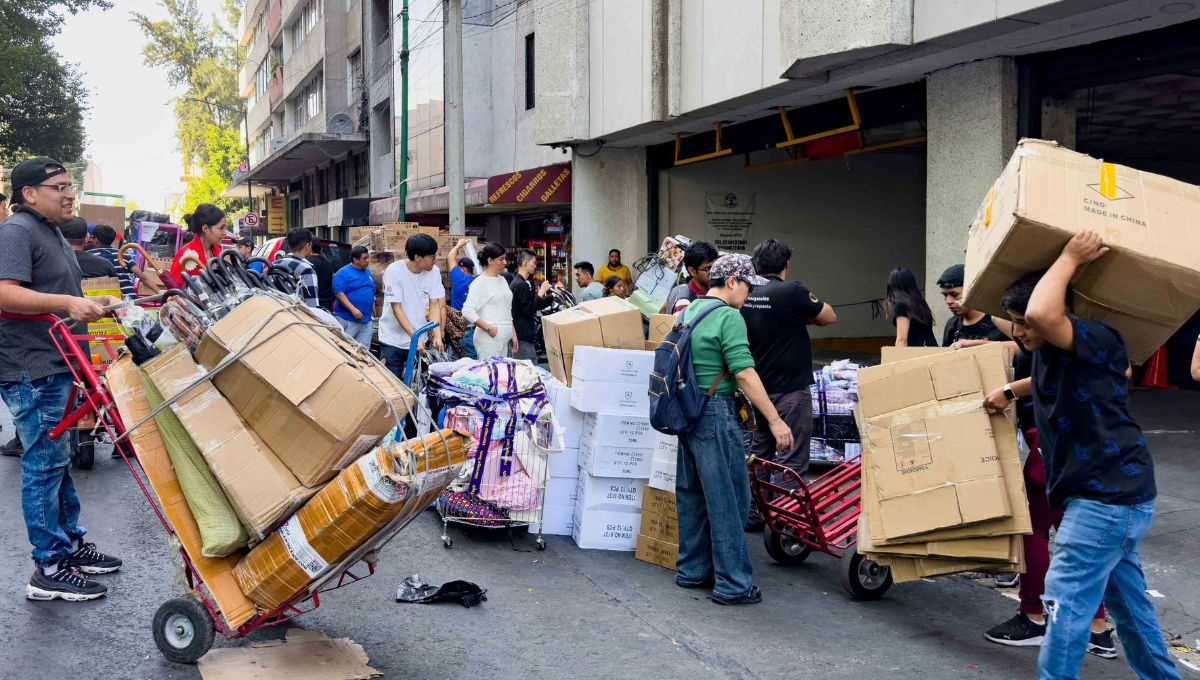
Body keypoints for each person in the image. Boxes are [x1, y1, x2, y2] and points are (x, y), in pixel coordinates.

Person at [999, 231, 1179, 680]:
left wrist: (1070, 256)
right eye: (1015, 322)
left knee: (1063, 603)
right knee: (1131, 610)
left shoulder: (1100, 339)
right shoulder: (1048, 347)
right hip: (1105, 495)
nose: (1021, 332)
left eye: (1025, 322)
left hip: (1108, 497)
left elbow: (1043, 312)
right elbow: (1035, 331)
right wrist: (1006, 390)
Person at [0, 157, 122, 602]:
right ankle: (47, 567)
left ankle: (68, 546)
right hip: (31, 366)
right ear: (30, 193)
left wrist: (91, 302)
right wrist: (69, 304)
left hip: (58, 364)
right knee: (44, 463)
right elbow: (4, 292)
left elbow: (52, 294)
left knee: (58, 461)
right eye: (60, 187)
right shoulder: (16, 230)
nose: (70, 194)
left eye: (73, 186)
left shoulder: (48, 231)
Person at [675, 254, 794, 606]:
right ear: (731, 282)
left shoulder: (690, 310)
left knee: (693, 493)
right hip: (714, 412)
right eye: (746, 285)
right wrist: (774, 419)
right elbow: (744, 372)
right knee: (729, 497)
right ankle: (733, 584)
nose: (748, 294)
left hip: (687, 410)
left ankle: (693, 570)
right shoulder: (729, 317)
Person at [980, 346, 1114, 658]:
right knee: (1075, 535)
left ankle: (1034, 617)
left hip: (1052, 440)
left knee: (1032, 528)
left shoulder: (1058, 335)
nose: (1021, 331)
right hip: (1074, 441)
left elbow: (1059, 377)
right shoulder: (1086, 333)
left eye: (1022, 322)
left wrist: (1010, 390)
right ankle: (1096, 629)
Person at [740, 239, 837, 530]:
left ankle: (755, 513)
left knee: (760, 454)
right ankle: (784, 521)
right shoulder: (792, 291)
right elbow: (829, 317)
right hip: (791, 392)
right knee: (791, 458)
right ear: (786, 265)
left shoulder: (745, 294)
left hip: (756, 391)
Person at [379, 233, 445, 378]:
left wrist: (437, 335)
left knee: (418, 383)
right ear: (417, 257)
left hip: (420, 339)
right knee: (394, 383)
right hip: (393, 340)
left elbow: (434, 304)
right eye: (432, 257)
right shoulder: (394, 271)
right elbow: (397, 308)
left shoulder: (434, 272)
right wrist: (414, 338)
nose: (435, 260)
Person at [937, 264, 1014, 348]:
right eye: (945, 295)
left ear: (973, 290)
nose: (948, 301)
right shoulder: (952, 325)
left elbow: (1025, 350)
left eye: (954, 294)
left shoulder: (999, 320)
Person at [462, 243, 516, 360]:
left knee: (501, 374)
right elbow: (467, 311)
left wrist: (513, 333)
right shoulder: (479, 283)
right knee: (491, 374)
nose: (505, 262)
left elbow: (507, 309)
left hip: (504, 338)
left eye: (505, 259)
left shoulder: (503, 280)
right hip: (489, 339)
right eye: (501, 259)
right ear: (490, 261)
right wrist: (488, 328)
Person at [510, 249, 554, 362]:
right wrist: (541, 291)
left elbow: (535, 304)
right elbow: (530, 308)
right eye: (534, 262)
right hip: (522, 335)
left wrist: (552, 295)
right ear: (525, 263)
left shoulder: (520, 283)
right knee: (528, 369)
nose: (535, 265)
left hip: (524, 335)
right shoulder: (520, 284)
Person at [332, 246, 376, 348]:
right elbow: (339, 293)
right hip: (348, 319)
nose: (368, 261)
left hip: (366, 321)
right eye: (364, 258)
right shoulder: (343, 273)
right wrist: (353, 310)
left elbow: (370, 290)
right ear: (355, 260)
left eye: (368, 257)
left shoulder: (367, 272)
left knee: (363, 352)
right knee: (345, 349)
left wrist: (373, 308)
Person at [170, 204, 227, 281]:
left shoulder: (218, 250)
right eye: (221, 228)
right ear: (205, 228)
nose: (225, 233)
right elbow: (175, 288)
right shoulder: (186, 255)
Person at [661, 241, 718, 314]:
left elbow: (661, 313)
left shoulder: (677, 289)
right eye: (708, 268)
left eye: (716, 267)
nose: (714, 272)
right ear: (692, 271)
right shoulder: (684, 302)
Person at [886, 267, 938, 347]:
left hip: (917, 353)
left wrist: (897, 358)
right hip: (931, 350)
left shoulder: (902, 305)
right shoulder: (920, 303)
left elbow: (902, 340)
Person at [86, 224, 136, 298]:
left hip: (106, 301)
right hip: (130, 298)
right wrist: (159, 292)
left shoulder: (89, 255)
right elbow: (142, 276)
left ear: (96, 240)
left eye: (92, 238)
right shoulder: (123, 254)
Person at [274, 228, 320, 308]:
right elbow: (311, 305)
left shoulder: (275, 264)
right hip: (294, 316)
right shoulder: (306, 269)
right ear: (307, 245)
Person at [447, 238, 475, 311]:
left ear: (463, 269)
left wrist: (458, 245)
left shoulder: (460, 278)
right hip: (474, 318)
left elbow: (450, 257)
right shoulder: (477, 281)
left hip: (458, 318)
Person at [308, 240, 335, 310]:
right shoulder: (328, 263)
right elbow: (332, 280)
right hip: (326, 304)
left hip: (310, 303)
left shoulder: (306, 262)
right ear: (321, 249)